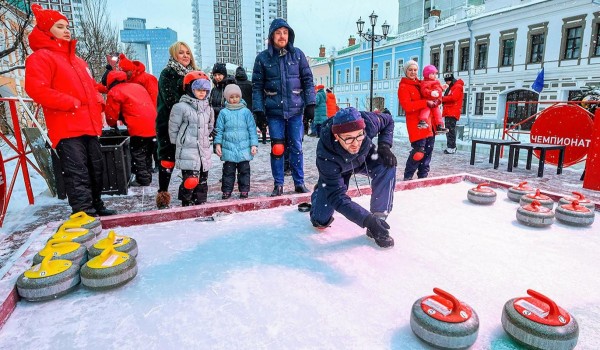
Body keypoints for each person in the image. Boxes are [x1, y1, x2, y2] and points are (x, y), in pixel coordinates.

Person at [25, 4, 116, 216]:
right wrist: (71, 102)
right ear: (47, 30)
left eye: (67, 26)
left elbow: (90, 86)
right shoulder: (41, 57)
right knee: (78, 173)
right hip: (67, 126)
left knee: (96, 168)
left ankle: (96, 205)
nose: (67, 30)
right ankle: (84, 213)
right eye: (59, 26)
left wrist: (98, 99)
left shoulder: (77, 60)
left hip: (90, 124)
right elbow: (36, 89)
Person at [309, 107, 397, 248]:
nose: (355, 143)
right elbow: (337, 197)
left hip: (364, 158)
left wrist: (384, 146)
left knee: (387, 164)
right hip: (338, 169)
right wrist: (366, 220)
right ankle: (321, 189)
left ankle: (379, 220)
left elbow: (389, 120)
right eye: (349, 138)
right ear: (337, 136)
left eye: (359, 136)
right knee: (320, 221)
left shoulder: (369, 121)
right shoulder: (325, 155)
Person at [252, 18, 316, 197]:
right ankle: (278, 184)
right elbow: (257, 87)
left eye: (285, 32)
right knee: (278, 148)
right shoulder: (263, 58)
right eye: (278, 33)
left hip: (296, 110)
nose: (282, 36)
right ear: (272, 36)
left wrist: (310, 104)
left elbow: (308, 81)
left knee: (296, 146)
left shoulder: (298, 55)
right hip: (274, 112)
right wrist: (258, 111)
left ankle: (299, 182)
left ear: (289, 35)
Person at [155, 41, 198, 209]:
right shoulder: (167, 73)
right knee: (167, 160)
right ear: (174, 55)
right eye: (181, 53)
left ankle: (187, 196)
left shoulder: (195, 74)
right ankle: (163, 195)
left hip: (190, 124)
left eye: (187, 52)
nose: (185, 55)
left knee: (189, 160)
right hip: (169, 124)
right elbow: (171, 101)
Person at [168, 71, 214, 207]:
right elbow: (173, 129)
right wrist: (179, 143)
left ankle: (200, 202)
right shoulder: (180, 107)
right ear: (190, 89)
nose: (202, 93)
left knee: (202, 180)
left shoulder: (208, 108)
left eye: (205, 90)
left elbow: (210, 126)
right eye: (198, 90)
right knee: (190, 179)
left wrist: (204, 139)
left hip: (203, 150)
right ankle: (186, 202)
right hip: (188, 150)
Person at [104, 71, 157, 187]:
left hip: (138, 127)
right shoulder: (137, 86)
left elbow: (111, 115)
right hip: (152, 124)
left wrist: (113, 125)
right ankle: (147, 175)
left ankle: (143, 180)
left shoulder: (115, 91)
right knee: (147, 153)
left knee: (138, 153)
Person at [214, 84, 259, 199]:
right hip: (228, 148)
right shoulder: (223, 113)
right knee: (228, 172)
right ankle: (226, 191)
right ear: (227, 98)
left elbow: (252, 129)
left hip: (244, 148)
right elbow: (219, 130)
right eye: (231, 97)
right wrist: (217, 144)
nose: (234, 99)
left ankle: (244, 190)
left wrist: (254, 144)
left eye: (236, 96)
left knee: (244, 171)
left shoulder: (246, 112)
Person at [398, 60, 436, 181]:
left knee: (427, 153)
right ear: (406, 71)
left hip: (429, 124)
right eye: (410, 70)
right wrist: (425, 102)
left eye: (415, 70)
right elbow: (407, 106)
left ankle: (423, 178)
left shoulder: (422, 84)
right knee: (418, 152)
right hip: (416, 125)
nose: (413, 72)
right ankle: (408, 177)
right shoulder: (403, 87)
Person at [236, 66, 266, 144]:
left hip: (238, 108)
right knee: (252, 126)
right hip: (250, 108)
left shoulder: (234, 85)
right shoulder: (250, 84)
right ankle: (261, 139)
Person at [418, 64, 448, 134]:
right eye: (432, 74)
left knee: (438, 114)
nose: (435, 75)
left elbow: (438, 89)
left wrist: (442, 88)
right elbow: (423, 91)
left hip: (435, 102)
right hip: (428, 100)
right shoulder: (425, 82)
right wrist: (431, 93)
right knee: (426, 111)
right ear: (427, 75)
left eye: (435, 73)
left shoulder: (436, 82)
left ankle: (439, 125)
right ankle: (422, 121)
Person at [441, 73, 465, 154]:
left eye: (447, 81)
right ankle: (451, 146)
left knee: (450, 130)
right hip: (449, 111)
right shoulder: (453, 86)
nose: (446, 83)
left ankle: (452, 147)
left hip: (452, 111)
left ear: (450, 80)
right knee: (449, 129)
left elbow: (454, 97)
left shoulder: (457, 86)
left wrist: (442, 98)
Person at [209, 63, 235, 134]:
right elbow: (209, 105)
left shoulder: (230, 88)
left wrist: (213, 109)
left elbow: (231, 107)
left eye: (219, 74)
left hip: (228, 124)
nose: (217, 77)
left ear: (224, 75)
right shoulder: (214, 89)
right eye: (215, 75)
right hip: (215, 124)